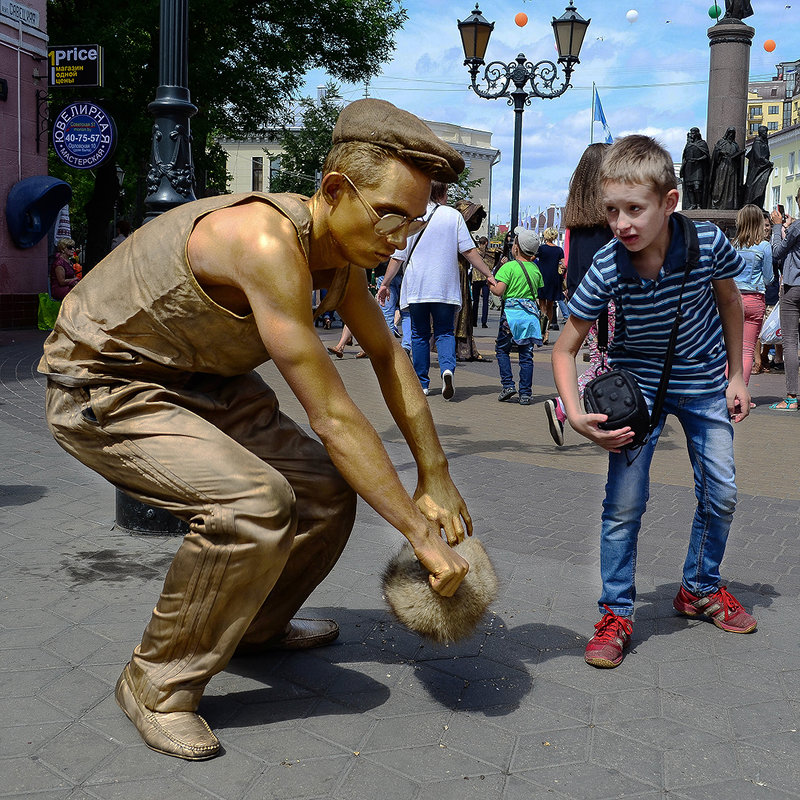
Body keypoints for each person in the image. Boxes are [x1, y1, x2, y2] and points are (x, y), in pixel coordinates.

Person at [39, 98, 475, 760]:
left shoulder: (340, 263)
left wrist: (434, 472)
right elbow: (330, 413)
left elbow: (389, 358)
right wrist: (419, 535)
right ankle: (155, 682)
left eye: (414, 224)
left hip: (202, 381)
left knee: (326, 491)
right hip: (105, 384)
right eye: (391, 217)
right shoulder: (266, 243)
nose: (400, 239)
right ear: (335, 190)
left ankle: (255, 626)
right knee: (250, 505)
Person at [552, 134, 756, 670]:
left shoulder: (708, 243)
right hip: (636, 389)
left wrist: (738, 375)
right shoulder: (608, 265)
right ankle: (616, 612)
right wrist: (575, 414)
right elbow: (566, 346)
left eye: (635, 209)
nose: (622, 223)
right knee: (623, 505)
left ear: (669, 202)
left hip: (705, 380)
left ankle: (700, 588)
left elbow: (731, 302)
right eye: (613, 210)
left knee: (723, 492)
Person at [378, 181, 496, 399]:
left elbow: (398, 256)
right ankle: (447, 370)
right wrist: (489, 274)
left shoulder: (412, 217)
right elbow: (469, 251)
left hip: (417, 288)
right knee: (444, 332)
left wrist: (385, 283)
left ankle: (422, 383)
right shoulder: (453, 216)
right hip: (444, 287)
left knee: (419, 334)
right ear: (444, 192)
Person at [545, 143, 613, 447]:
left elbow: (570, 261)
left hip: (580, 297)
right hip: (610, 297)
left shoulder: (575, 219)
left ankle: (603, 410)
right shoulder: (611, 219)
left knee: (601, 356)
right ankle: (564, 406)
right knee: (608, 360)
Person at [491, 228, 544, 405]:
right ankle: (526, 394)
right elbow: (537, 291)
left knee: (502, 349)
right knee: (526, 355)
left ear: (515, 248)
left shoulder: (509, 267)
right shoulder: (535, 269)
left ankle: (507, 385)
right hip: (529, 317)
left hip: (511, 316)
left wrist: (490, 285)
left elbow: (499, 291)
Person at [730, 204, 773, 389]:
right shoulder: (764, 246)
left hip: (734, 301)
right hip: (755, 299)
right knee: (747, 350)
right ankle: (741, 393)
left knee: (731, 350)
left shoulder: (733, 244)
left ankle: (726, 390)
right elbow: (769, 277)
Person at [769, 194, 800, 410]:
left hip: (793, 286)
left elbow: (777, 252)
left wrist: (777, 227)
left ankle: (791, 397)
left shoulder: (798, 228)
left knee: (790, 341)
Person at [535, 227, 565, 340]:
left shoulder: (541, 249)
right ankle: (547, 331)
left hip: (542, 278)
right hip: (554, 279)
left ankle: (541, 332)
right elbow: (564, 264)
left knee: (542, 305)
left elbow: (531, 258)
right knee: (550, 306)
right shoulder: (559, 250)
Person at [709, 127, 744, 210]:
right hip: (723, 166)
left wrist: (739, 155)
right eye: (730, 133)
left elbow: (738, 159)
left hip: (732, 168)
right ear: (727, 133)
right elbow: (715, 155)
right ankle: (717, 203)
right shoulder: (721, 142)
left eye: (733, 133)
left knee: (731, 186)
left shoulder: (735, 145)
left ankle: (730, 204)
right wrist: (720, 152)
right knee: (720, 185)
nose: (731, 135)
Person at [679, 127, 710, 211]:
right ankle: (692, 204)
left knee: (697, 186)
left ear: (697, 133)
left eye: (693, 133)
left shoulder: (702, 143)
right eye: (691, 133)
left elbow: (706, 155)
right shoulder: (688, 144)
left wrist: (698, 160)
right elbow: (684, 156)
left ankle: (699, 204)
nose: (692, 134)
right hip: (689, 167)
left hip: (698, 167)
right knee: (689, 187)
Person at [743, 126, 772, 210]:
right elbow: (758, 156)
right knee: (752, 185)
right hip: (756, 169)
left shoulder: (765, 142)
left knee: (761, 187)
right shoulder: (757, 142)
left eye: (766, 132)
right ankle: (750, 204)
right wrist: (767, 162)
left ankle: (759, 205)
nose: (766, 134)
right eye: (764, 132)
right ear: (760, 133)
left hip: (763, 168)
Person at [472, 236, 492, 329]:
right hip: (485, 278)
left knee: (475, 301)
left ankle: (474, 321)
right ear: (486, 243)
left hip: (475, 278)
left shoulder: (474, 251)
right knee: (485, 301)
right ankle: (484, 322)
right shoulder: (489, 252)